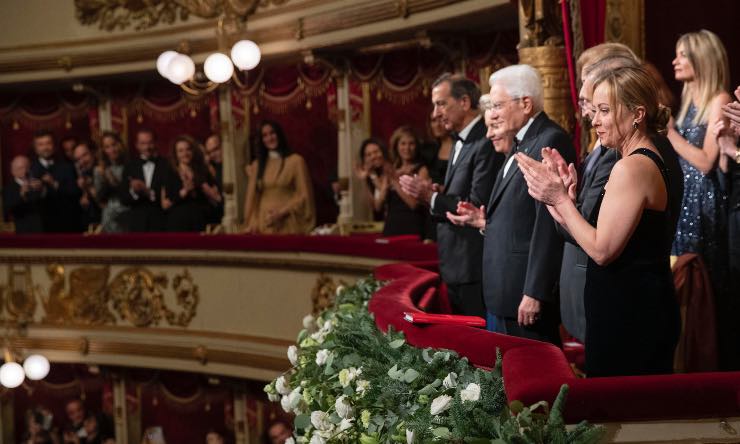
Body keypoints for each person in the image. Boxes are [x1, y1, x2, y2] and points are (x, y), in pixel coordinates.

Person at [517, 65, 681, 377]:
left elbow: (602, 250)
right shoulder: (637, 160)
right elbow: (592, 235)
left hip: (631, 315)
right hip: (634, 308)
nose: (594, 120)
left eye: (604, 110)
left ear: (637, 114)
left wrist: (562, 201)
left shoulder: (631, 168)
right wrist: (560, 200)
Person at [449, 65, 575, 343]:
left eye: (497, 105)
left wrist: (535, 292)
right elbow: (519, 216)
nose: (491, 114)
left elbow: (548, 223)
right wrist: (484, 223)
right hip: (505, 290)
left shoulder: (549, 140)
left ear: (525, 103)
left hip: (523, 294)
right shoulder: (522, 142)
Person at [399, 73, 501, 318]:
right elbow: (459, 194)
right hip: (455, 263)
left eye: (441, 104)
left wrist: (429, 197)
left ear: (464, 102)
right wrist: (439, 192)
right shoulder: (458, 142)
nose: (435, 114)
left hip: (472, 264)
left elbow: (475, 204)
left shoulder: (485, 142)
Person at [668, 29, 731, 291]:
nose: (675, 61)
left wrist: (669, 132)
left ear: (702, 59)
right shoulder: (688, 99)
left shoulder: (720, 100)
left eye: (682, 55)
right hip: (683, 198)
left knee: (701, 277)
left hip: (704, 202)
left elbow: (706, 161)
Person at [243, 120, 315, 234]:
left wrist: (282, 212)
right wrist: (252, 222)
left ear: (279, 134)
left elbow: (304, 196)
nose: (269, 138)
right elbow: (253, 199)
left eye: (272, 133)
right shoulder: (257, 165)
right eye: (265, 135)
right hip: (263, 225)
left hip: (287, 223)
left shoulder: (296, 161)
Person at [162, 135, 222, 232]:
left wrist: (206, 190)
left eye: (188, 149)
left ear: (193, 151)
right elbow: (166, 202)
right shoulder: (170, 172)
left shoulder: (202, 171)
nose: (185, 153)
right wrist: (184, 191)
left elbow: (215, 197)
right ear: (176, 154)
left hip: (200, 220)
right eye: (180, 151)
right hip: (178, 222)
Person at [29, 129, 83, 232]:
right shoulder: (30, 169)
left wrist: (54, 184)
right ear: (35, 149)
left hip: (66, 224)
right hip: (40, 227)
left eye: (48, 143)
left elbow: (75, 191)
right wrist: (39, 191)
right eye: (41, 144)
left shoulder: (66, 167)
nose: (45, 147)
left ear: (54, 146)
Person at [382, 126, 429, 237]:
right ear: (396, 146)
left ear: (416, 146)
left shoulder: (422, 170)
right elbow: (379, 204)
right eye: (403, 143)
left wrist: (394, 181)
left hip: (411, 226)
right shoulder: (392, 169)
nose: (407, 148)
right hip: (391, 226)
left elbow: (414, 204)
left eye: (411, 143)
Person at [120, 129, 170, 232]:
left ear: (156, 143)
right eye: (143, 143)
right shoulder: (130, 166)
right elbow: (123, 199)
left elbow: (170, 194)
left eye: (150, 143)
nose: (147, 147)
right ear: (137, 145)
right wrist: (134, 192)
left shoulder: (166, 165)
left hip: (160, 221)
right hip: (137, 223)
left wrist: (147, 192)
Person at [94, 131, 130, 233]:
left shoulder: (130, 166)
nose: (112, 150)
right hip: (109, 216)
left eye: (114, 145)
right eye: (107, 147)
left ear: (120, 144)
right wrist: (102, 177)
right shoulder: (99, 170)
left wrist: (112, 179)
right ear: (103, 150)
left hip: (127, 214)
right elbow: (99, 197)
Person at [4, 155, 44, 233]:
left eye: (27, 167)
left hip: (40, 227)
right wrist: (21, 194)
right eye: (20, 168)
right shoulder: (8, 188)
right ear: (13, 171)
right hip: (21, 228)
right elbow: (7, 208)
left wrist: (42, 190)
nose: (25, 171)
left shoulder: (37, 183)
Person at [354, 137, 392, 222]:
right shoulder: (372, 175)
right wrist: (364, 180)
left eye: (376, 152)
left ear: (383, 152)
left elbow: (386, 196)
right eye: (369, 155)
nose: (373, 157)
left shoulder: (391, 170)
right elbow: (376, 207)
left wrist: (373, 177)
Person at [73, 141, 102, 230]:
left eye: (85, 155)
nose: (83, 161)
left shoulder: (102, 170)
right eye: (78, 159)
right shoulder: (80, 174)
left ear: (93, 153)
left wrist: (88, 186)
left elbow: (104, 204)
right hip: (89, 225)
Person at [203, 133, 224, 225]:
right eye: (209, 152)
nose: (212, 155)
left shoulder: (234, 166)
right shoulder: (211, 170)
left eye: (215, 149)